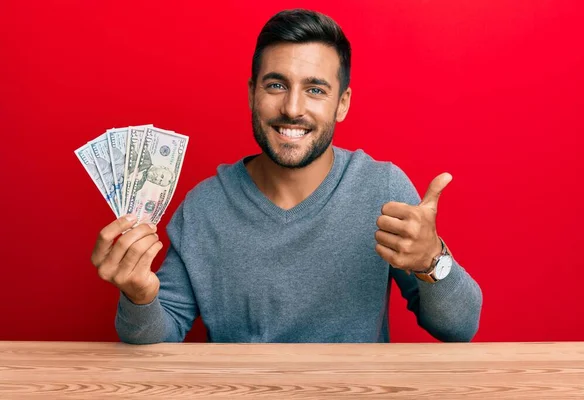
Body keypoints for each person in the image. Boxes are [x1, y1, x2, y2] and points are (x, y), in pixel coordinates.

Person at [91, 9, 483, 344]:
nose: (292, 108)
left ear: (341, 104)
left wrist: (432, 258)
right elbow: (160, 334)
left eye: (315, 89)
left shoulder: (381, 189)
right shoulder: (204, 206)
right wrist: (139, 296)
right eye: (276, 85)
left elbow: (460, 328)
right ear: (251, 94)